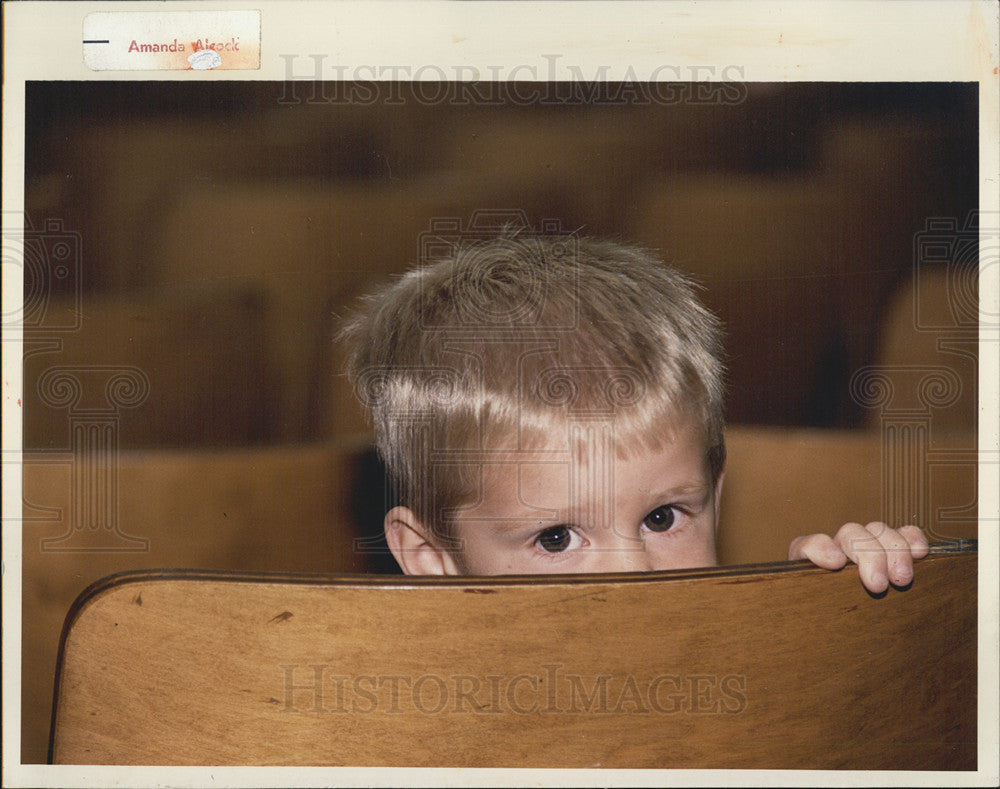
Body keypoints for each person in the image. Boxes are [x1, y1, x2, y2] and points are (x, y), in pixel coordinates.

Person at [341, 232, 927, 591]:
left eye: (663, 519)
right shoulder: (419, 723)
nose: (633, 573)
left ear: (715, 499)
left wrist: (829, 619)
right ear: (431, 557)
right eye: (555, 538)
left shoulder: (739, 647)